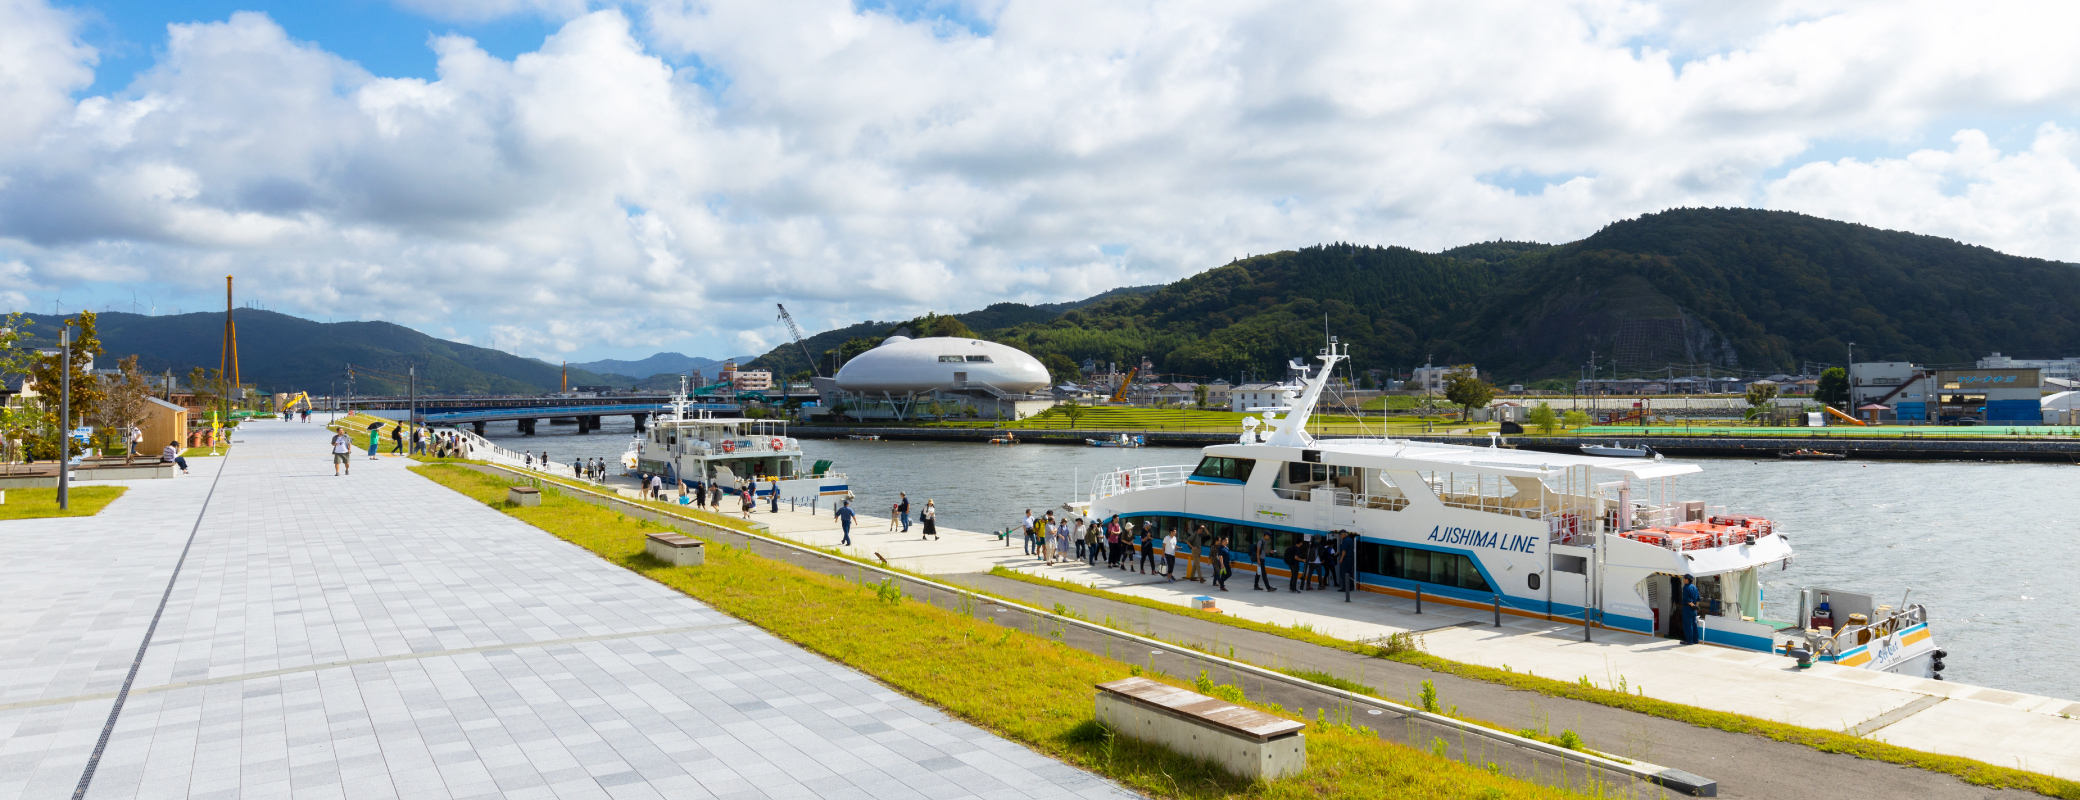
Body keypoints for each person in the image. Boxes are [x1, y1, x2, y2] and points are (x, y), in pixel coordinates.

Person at [1680, 575, 1702, 645]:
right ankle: (1696, 640)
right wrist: (1696, 606)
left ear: (1687, 580)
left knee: (1688, 625)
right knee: (1694, 624)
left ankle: (1689, 640)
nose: (1683, 580)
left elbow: (1687, 600)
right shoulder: (1694, 587)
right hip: (1694, 610)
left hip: (1687, 608)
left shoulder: (1686, 587)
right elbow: (1698, 598)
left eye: (1684, 578)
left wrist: (1693, 605)